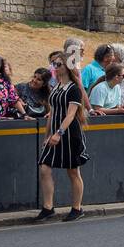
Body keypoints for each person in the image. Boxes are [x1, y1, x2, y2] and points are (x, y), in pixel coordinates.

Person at [36, 53, 90, 222]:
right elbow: (52, 113)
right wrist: (47, 135)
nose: (55, 67)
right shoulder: (57, 86)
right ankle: (48, 207)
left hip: (69, 133)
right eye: (54, 64)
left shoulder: (74, 88)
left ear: (67, 67)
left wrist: (59, 133)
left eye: (58, 64)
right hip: (55, 132)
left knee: (73, 171)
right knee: (44, 168)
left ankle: (77, 208)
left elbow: (71, 115)